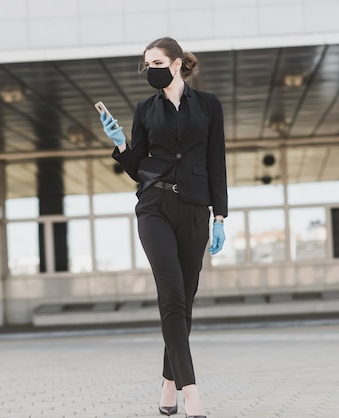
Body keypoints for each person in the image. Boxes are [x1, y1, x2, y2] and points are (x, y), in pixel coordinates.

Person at [99, 37, 227, 418]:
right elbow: (139, 167)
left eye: (156, 62)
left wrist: (219, 216)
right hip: (153, 206)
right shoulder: (145, 109)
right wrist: (121, 144)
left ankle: (169, 383)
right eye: (146, 64)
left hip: (193, 209)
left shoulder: (208, 106)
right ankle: (191, 393)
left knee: (185, 299)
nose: (150, 69)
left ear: (175, 63)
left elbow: (216, 161)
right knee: (170, 294)